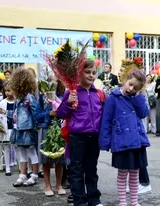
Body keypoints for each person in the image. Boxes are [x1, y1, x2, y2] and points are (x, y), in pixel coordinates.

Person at [99, 69, 149, 206]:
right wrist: (105, 142)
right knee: (122, 174)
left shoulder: (137, 97)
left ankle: (134, 202)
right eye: (130, 84)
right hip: (121, 140)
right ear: (125, 80)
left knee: (134, 174)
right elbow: (106, 120)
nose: (131, 88)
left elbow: (144, 113)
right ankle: (122, 202)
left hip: (137, 141)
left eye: (135, 88)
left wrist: (138, 96)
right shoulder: (113, 98)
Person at [56, 60, 103, 206]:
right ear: (79, 73)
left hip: (94, 137)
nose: (91, 75)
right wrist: (68, 103)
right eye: (87, 72)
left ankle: (94, 199)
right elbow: (61, 113)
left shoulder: (99, 94)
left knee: (91, 170)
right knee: (76, 171)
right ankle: (79, 200)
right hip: (77, 137)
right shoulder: (72, 92)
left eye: (94, 73)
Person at [10, 68, 40, 187]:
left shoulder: (29, 97)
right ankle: (22, 174)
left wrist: (36, 126)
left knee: (31, 151)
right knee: (21, 152)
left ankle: (34, 174)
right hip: (18, 128)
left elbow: (35, 112)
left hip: (28, 129)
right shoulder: (18, 98)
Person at [0, 83, 16, 176]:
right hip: (6, 129)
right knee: (6, 148)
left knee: (17, 148)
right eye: (5, 91)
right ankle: (8, 167)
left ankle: (21, 167)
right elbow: (0, 116)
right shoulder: (2, 103)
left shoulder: (17, 102)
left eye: (9, 91)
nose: (7, 93)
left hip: (15, 128)